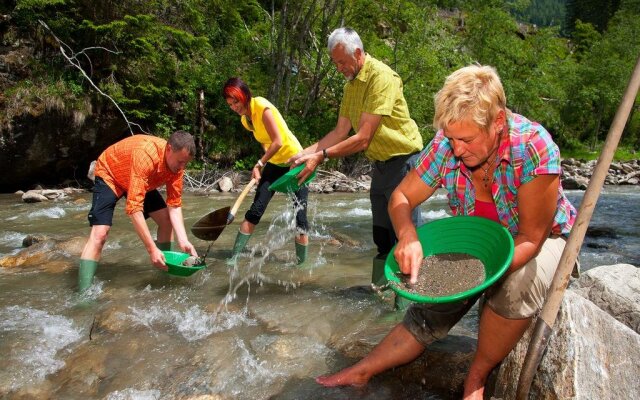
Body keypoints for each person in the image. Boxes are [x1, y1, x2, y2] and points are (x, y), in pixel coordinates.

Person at [315, 64, 577, 399]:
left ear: (497, 122)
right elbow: (402, 197)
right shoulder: (447, 141)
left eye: (466, 140)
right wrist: (408, 236)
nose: (456, 150)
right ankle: (363, 370)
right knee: (429, 305)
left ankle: (476, 378)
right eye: (451, 138)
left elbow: (531, 238)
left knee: (513, 284)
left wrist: (478, 278)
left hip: (543, 242)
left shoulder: (533, 147)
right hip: (479, 244)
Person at [289, 27, 423, 288]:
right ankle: (382, 297)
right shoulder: (351, 86)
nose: (339, 68)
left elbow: (363, 138)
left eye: (341, 61)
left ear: (358, 53)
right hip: (381, 168)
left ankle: (410, 304)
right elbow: (340, 132)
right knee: (382, 237)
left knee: (405, 238)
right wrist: (304, 154)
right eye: (335, 63)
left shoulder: (381, 77)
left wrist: (322, 156)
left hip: (405, 163)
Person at [78, 131, 199, 292]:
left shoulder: (177, 168)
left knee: (166, 221)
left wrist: (183, 241)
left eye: (186, 163)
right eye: (180, 161)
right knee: (100, 234)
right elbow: (134, 208)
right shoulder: (146, 156)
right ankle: (82, 295)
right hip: (111, 174)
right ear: (169, 149)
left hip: (140, 180)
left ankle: (162, 272)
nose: (182, 167)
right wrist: (151, 249)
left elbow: (174, 205)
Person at [222, 77, 309, 265]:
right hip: (275, 163)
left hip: (296, 162)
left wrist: (260, 163)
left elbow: (277, 140)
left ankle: (301, 265)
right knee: (256, 209)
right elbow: (265, 141)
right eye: (230, 104)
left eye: (235, 101)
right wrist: (265, 161)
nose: (234, 107)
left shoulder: (262, 107)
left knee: (300, 217)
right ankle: (234, 258)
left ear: (244, 95)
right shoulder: (246, 120)